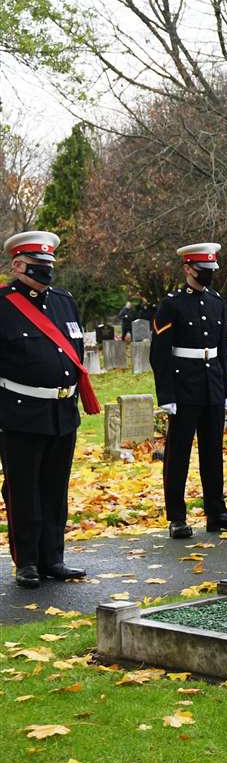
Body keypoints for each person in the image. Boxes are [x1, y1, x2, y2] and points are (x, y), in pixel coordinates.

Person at [0, 230, 95, 586]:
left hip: (62, 411)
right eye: (37, 266)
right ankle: (26, 561)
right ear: (18, 265)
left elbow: (74, 349)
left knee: (55, 489)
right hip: (21, 412)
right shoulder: (3, 304)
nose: (45, 272)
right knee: (23, 490)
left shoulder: (63, 301)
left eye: (48, 265)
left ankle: (53, 557)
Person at [152, 242, 227, 540]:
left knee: (212, 451)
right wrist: (166, 396)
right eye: (202, 270)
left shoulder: (217, 302)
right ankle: (176, 517)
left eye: (210, 270)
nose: (208, 275)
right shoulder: (172, 304)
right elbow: (160, 353)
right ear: (187, 269)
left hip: (212, 385)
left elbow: (220, 349)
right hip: (184, 386)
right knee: (178, 453)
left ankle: (216, 511)